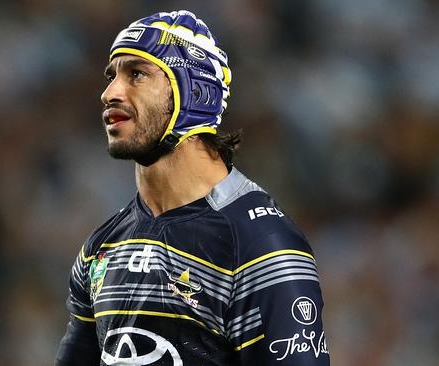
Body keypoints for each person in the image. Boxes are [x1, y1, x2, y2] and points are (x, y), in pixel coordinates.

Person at [56, 10, 330, 366]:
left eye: (136, 74)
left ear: (195, 93)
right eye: (112, 76)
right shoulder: (101, 248)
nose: (109, 92)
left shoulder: (260, 245)